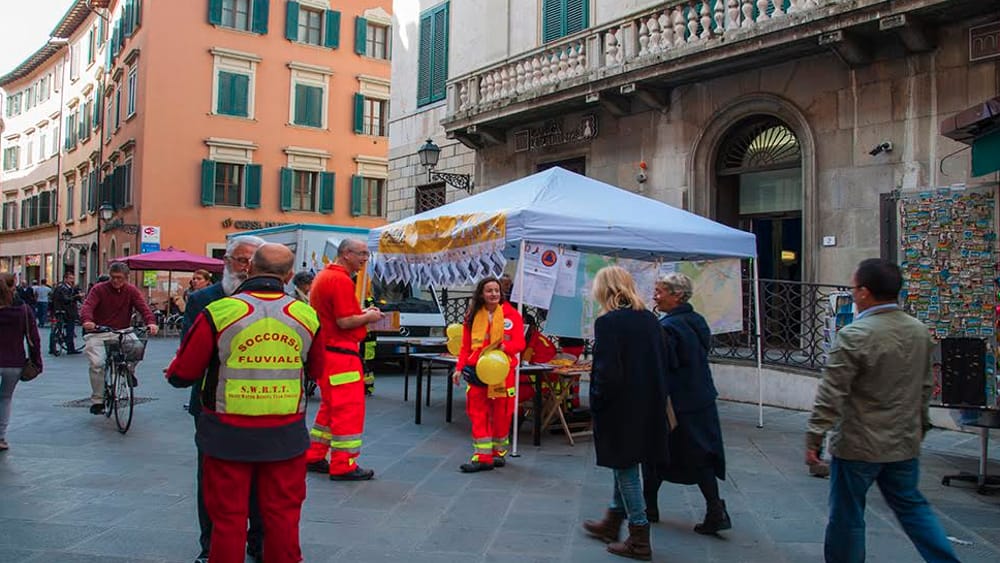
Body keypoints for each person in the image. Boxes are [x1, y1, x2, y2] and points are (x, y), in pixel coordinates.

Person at [167, 243, 323, 563]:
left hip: (227, 434)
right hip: (286, 435)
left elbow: (183, 374)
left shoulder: (220, 312)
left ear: (250, 268)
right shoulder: (306, 315)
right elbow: (319, 370)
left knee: (227, 517)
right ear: (290, 275)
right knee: (283, 515)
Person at [806, 258, 961, 563]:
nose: (852, 294)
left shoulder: (854, 335)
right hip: (903, 442)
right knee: (913, 507)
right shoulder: (918, 332)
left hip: (858, 444)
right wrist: (920, 428)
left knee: (847, 515)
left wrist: (814, 437)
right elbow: (925, 387)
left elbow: (831, 393)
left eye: (853, 288)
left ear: (864, 292)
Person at [181, 235, 265, 563]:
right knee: (212, 482)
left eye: (252, 262)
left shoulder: (274, 301)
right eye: (240, 260)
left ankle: (257, 543)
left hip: (261, 406)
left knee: (261, 483)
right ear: (226, 262)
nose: (245, 268)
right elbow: (191, 352)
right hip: (212, 405)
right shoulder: (203, 299)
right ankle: (211, 547)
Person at [582, 266, 668, 561]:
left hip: (621, 407)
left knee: (625, 468)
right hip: (649, 403)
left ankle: (639, 537)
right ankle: (613, 520)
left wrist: (597, 402)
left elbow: (607, 372)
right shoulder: (650, 319)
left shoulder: (608, 323)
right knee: (627, 462)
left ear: (604, 289)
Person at [644, 273, 731, 533]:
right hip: (701, 397)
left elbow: (664, 364)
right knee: (700, 454)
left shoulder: (669, 327)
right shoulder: (697, 321)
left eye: (659, 292)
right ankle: (715, 509)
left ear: (677, 296)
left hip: (675, 402)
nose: (655, 296)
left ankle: (649, 508)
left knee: (654, 452)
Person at [305, 238, 384, 481]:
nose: (365, 259)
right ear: (346, 254)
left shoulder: (325, 276)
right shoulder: (339, 280)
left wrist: (360, 315)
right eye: (361, 254)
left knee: (330, 408)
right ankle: (344, 464)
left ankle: (315, 455)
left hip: (329, 352)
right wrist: (369, 316)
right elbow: (345, 321)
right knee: (348, 409)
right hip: (341, 354)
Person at [450, 276, 526, 473]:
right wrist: (459, 368)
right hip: (477, 371)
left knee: (502, 413)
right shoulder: (472, 315)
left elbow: (520, 344)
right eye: (489, 290)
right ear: (481, 294)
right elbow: (465, 347)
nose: (494, 294)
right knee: (477, 412)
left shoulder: (512, 315)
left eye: (497, 290)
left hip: (502, 371)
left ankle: (498, 453)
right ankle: (482, 456)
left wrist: (505, 346)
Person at [80, 262, 158, 415]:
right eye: (113, 277)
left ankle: (129, 370)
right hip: (99, 331)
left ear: (126, 278)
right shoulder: (99, 289)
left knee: (137, 347)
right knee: (97, 364)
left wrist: (151, 323)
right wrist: (87, 321)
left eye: (120, 278)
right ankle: (98, 400)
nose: (116, 281)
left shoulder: (131, 291)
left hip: (122, 330)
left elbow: (143, 308)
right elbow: (88, 306)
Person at [0, 273, 42, 451]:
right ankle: (0, 437)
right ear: (14, 285)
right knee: (5, 399)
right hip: (14, 362)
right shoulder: (23, 310)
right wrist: (37, 361)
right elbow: (34, 338)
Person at [50, 272, 83, 355]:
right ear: (65, 279)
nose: (72, 280)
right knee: (69, 329)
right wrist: (77, 296)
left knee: (62, 328)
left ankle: (54, 346)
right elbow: (66, 299)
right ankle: (70, 348)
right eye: (70, 278)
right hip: (65, 311)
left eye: (73, 278)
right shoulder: (62, 288)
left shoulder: (68, 288)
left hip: (64, 311)